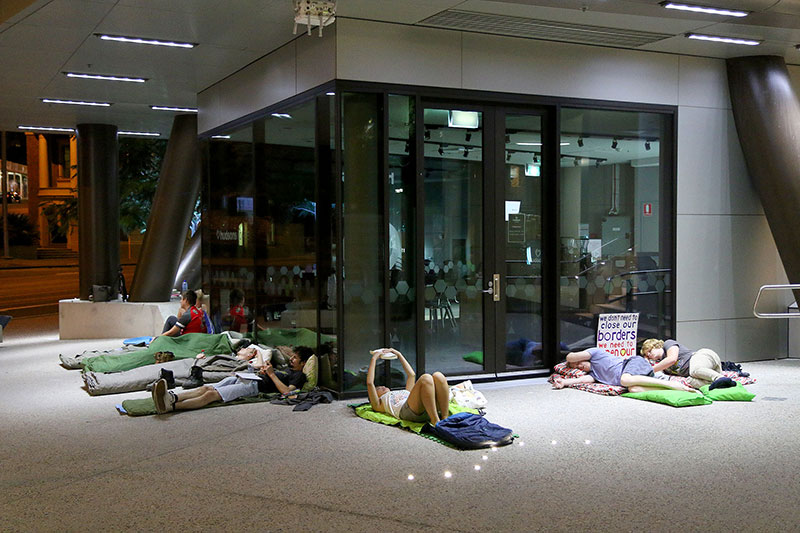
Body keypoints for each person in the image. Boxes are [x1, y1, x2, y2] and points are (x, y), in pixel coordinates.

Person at [152, 345, 313, 414]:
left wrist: (270, 374)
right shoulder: (287, 369)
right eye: (292, 356)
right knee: (206, 388)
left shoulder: (298, 376)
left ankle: (172, 407)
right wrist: (265, 370)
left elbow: (287, 392)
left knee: (211, 396)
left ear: (304, 363)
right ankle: (172, 397)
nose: (291, 359)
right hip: (250, 377)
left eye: (295, 358)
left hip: (254, 387)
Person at [551, 347, 696, 393]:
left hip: (633, 364)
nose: (578, 367)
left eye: (578, 363)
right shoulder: (593, 374)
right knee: (634, 389)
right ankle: (670, 389)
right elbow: (580, 380)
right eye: (576, 368)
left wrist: (570, 360)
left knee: (625, 380)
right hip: (633, 378)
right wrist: (564, 382)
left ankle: (673, 385)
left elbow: (570, 357)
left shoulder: (596, 354)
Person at [366, 348, 450, 425]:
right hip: (408, 411)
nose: (383, 386)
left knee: (438, 376)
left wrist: (399, 354)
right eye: (379, 388)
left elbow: (411, 375)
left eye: (381, 386)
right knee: (426, 378)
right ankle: (435, 420)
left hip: (426, 407)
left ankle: (444, 417)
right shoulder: (378, 404)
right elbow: (370, 383)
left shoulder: (405, 392)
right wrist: (374, 358)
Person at [641, 338, 735, 390]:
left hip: (702, 356)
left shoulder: (668, 344)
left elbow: (672, 359)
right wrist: (646, 361)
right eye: (647, 355)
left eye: (649, 350)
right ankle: (721, 383)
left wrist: (652, 369)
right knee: (690, 381)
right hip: (701, 373)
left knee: (694, 371)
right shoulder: (663, 367)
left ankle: (719, 378)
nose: (649, 355)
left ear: (656, 346)